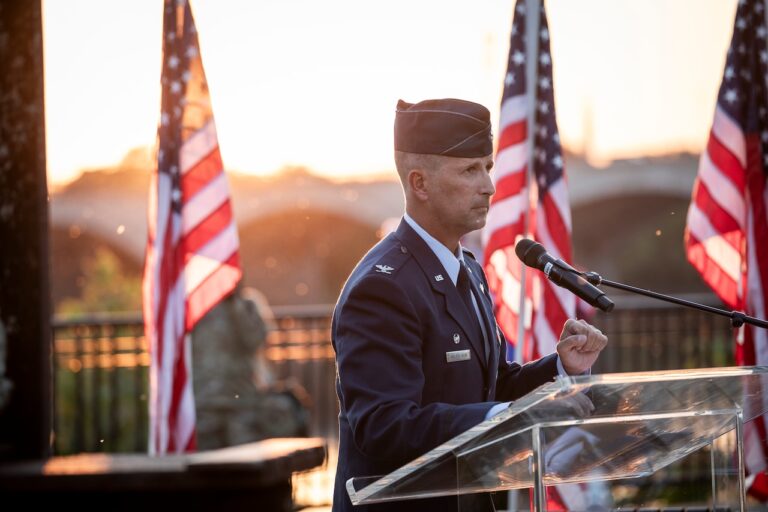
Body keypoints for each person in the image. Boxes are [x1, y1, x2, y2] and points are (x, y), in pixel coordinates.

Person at [331, 98, 608, 511]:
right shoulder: (382, 288)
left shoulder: (470, 271)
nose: (489, 186)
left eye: (488, 167)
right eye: (470, 170)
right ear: (420, 183)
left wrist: (560, 367)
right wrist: (513, 416)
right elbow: (385, 426)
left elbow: (490, 386)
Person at [191, 284, 309, 450]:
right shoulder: (195, 303)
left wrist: (237, 304)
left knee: (244, 458)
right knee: (205, 460)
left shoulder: (246, 302)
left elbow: (257, 339)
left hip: (242, 402)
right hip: (204, 403)